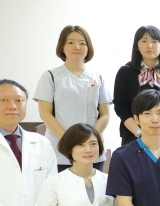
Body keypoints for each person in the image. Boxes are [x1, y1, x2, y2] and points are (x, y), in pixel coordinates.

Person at [34, 25, 112, 172]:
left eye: (82, 43)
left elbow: (105, 114)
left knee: (93, 186)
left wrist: (90, 140)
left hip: (92, 150)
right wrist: (69, 141)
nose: (77, 47)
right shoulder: (50, 76)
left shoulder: (98, 77)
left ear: (88, 48)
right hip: (61, 150)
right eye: (70, 42)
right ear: (62, 47)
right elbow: (45, 114)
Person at [113, 25, 160, 146]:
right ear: (137, 45)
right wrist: (139, 133)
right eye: (144, 41)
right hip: (133, 136)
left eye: (154, 41)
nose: (149, 45)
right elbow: (120, 106)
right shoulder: (125, 72)